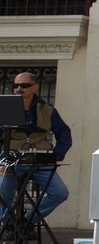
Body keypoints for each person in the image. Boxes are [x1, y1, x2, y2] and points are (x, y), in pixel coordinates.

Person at [0, 71, 72, 227]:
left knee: (60, 193)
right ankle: (8, 224)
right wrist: (1, 161)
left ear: (35, 88)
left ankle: (26, 221)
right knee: (3, 188)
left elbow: (65, 134)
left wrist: (55, 155)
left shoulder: (47, 110)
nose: (19, 89)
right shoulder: (5, 107)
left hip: (39, 162)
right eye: (16, 85)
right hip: (11, 160)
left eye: (24, 86)